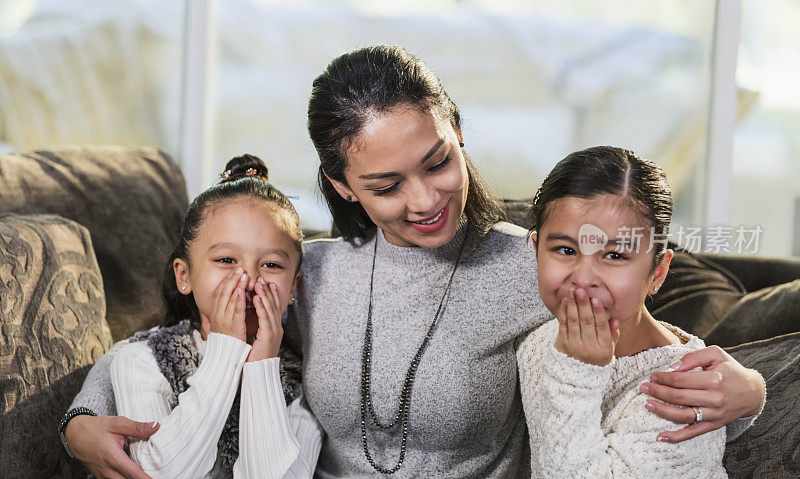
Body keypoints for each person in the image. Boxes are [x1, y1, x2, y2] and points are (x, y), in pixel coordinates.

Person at [60, 45, 765, 478]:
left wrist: (748, 387)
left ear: (459, 132)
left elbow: (650, 303)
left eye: (437, 162)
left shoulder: (535, 265)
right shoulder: (311, 272)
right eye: (386, 185)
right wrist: (82, 419)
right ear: (341, 187)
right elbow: (179, 325)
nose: (425, 200)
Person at [517, 146, 730, 477]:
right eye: (565, 249)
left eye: (615, 255)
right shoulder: (539, 343)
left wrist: (576, 373)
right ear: (536, 251)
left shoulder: (680, 395)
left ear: (657, 273)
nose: (583, 278)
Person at [106, 154, 321, 478]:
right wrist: (225, 349)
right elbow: (160, 473)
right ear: (184, 275)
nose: (247, 279)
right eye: (225, 259)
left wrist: (261, 367)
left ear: (293, 287)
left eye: (272, 265)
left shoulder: (301, 382)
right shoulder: (142, 361)